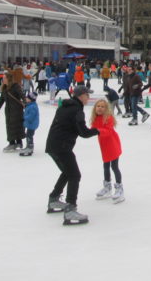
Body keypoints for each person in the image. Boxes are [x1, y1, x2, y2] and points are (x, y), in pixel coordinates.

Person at [45, 86, 100, 225]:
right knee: (75, 175)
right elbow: (83, 132)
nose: (88, 97)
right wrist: (97, 130)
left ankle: (54, 199)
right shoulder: (77, 110)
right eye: (87, 95)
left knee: (67, 172)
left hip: (53, 145)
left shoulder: (66, 105)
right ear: (81, 96)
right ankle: (70, 209)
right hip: (62, 147)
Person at [91, 98, 125, 203]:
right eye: (98, 106)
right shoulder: (95, 119)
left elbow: (108, 131)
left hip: (113, 145)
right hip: (104, 146)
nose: (100, 108)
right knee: (105, 166)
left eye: (102, 106)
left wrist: (98, 131)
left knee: (114, 167)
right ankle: (107, 187)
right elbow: (93, 129)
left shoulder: (108, 118)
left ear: (106, 109)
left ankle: (119, 188)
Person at [0, 69, 26, 152]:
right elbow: (1, 100)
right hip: (8, 111)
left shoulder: (15, 86)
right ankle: (13, 142)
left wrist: (26, 103)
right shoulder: (4, 88)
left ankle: (17, 142)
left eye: (4, 78)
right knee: (9, 126)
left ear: (9, 79)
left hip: (17, 110)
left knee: (17, 126)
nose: (3, 79)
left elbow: (22, 95)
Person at [19, 91, 40, 157]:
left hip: (32, 124)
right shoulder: (30, 105)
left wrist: (24, 118)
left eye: (27, 98)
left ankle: (29, 147)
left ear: (31, 99)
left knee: (29, 136)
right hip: (31, 124)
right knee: (29, 135)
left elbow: (31, 116)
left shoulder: (33, 106)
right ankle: (29, 146)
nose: (26, 99)